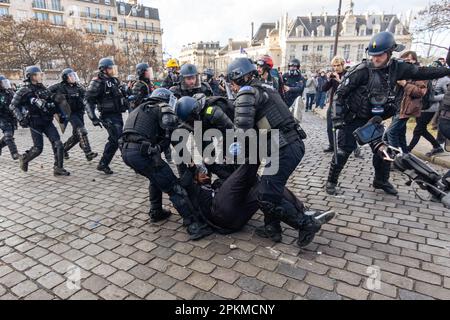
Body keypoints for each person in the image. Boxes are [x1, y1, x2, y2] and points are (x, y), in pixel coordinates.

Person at [326, 31, 450, 196]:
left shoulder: (398, 68)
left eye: (380, 55)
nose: (376, 58)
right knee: (343, 151)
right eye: (373, 55)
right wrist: (337, 118)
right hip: (352, 118)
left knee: (384, 151)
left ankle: (381, 180)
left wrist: (446, 70)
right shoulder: (361, 70)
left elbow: (423, 72)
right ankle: (331, 182)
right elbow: (340, 94)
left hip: (373, 120)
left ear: (390, 53)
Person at [227, 57, 311, 243]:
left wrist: (236, 151)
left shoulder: (247, 93)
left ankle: (305, 224)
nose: (232, 88)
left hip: (285, 147)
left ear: (237, 78)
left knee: (266, 194)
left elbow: (243, 132)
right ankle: (272, 228)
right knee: (269, 186)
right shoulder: (266, 87)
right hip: (287, 144)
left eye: (232, 83)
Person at [120, 89, 213, 240]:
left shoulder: (140, 109)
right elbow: (177, 140)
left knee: (155, 178)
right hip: (142, 154)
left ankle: (156, 211)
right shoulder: (163, 108)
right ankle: (194, 225)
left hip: (127, 153)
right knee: (174, 187)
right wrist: (192, 166)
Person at [180, 163, 335, 247]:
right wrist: (192, 167)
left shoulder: (216, 184)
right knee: (248, 169)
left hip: (237, 221)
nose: (205, 174)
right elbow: (184, 181)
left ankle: (305, 219)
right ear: (195, 178)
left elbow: (229, 176)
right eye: (201, 173)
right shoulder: (195, 190)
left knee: (266, 187)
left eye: (206, 172)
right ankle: (255, 148)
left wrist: (211, 165)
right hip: (219, 213)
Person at [10, 66, 70, 176]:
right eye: (38, 74)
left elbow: (49, 101)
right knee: (38, 148)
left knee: (58, 144)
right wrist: (20, 118)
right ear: (31, 76)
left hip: (47, 121)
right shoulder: (24, 90)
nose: (40, 76)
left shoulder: (42, 88)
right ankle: (24, 159)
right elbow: (13, 105)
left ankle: (58, 168)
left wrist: (57, 102)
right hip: (35, 122)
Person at [174, 94, 236, 179]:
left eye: (190, 121)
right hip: (216, 130)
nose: (190, 124)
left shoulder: (212, 111)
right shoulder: (195, 121)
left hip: (235, 128)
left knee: (234, 160)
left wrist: (227, 154)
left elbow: (231, 131)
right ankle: (227, 179)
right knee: (209, 162)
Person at [85, 58, 129, 175]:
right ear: (103, 69)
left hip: (117, 114)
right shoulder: (97, 82)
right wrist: (93, 117)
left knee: (114, 141)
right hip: (108, 116)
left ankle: (103, 164)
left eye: (113, 68)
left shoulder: (114, 80)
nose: (112, 70)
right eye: (110, 68)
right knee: (119, 139)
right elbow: (88, 100)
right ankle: (135, 163)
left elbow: (121, 96)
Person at [49, 68, 98, 162]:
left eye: (73, 75)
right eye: (70, 76)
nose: (73, 77)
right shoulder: (60, 87)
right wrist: (56, 98)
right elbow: (47, 92)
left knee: (77, 136)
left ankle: (63, 150)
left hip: (79, 112)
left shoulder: (79, 87)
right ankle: (88, 152)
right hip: (69, 113)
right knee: (81, 130)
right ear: (65, 78)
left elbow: (87, 96)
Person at [387, 51, 427, 154]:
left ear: (414, 60)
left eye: (409, 60)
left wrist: (405, 84)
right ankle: (405, 155)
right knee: (400, 134)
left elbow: (421, 92)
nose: (406, 63)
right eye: (404, 61)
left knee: (390, 132)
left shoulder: (418, 73)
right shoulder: (402, 71)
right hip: (397, 107)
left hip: (406, 109)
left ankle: (395, 157)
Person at [0, 75, 19, 160]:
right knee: (8, 135)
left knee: (9, 137)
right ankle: (15, 153)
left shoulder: (10, 92)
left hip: (11, 117)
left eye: (5, 82)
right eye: (3, 83)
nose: (5, 84)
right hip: (2, 117)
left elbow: (17, 102)